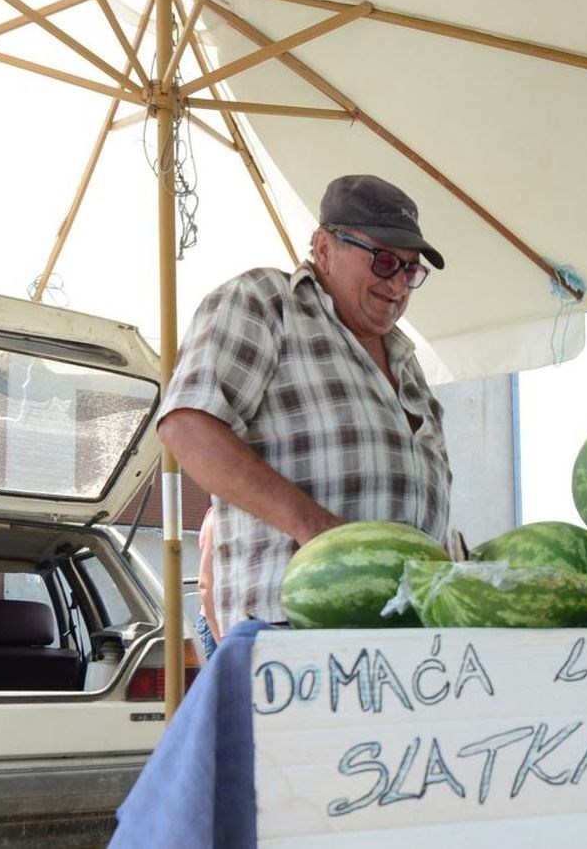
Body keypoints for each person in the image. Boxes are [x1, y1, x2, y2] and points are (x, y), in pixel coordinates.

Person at [157, 174, 452, 634]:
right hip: (293, 627)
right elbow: (188, 426)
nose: (398, 285)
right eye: (385, 261)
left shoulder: (406, 361)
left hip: (404, 639)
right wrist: (314, 527)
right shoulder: (266, 301)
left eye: (411, 271)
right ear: (323, 247)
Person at [194, 506, 219, 658]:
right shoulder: (218, 517)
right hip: (216, 625)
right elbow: (205, 584)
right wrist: (220, 639)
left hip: (216, 623)